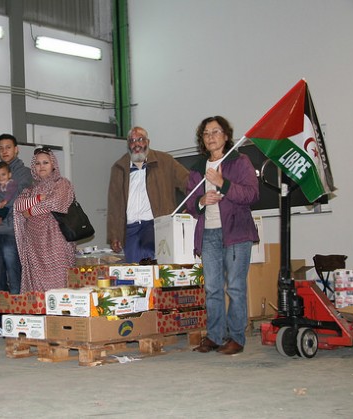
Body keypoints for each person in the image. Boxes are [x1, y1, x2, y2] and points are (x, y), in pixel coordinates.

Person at [186, 116, 259, 355]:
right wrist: (200, 201)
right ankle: (215, 336)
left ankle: (236, 337)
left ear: (226, 136)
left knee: (236, 288)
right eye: (206, 133)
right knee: (213, 289)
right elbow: (188, 203)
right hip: (208, 234)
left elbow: (251, 195)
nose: (210, 137)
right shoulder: (197, 168)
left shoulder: (240, 161)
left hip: (237, 233)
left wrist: (222, 183)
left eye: (215, 132)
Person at [107, 126, 189, 263]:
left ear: (148, 142)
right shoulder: (119, 167)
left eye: (140, 139)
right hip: (130, 230)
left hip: (156, 226)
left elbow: (188, 182)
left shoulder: (165, 161)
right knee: (133, 272)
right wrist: (114, 235)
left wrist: (193, 205)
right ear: (128, 144)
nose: (136, 144)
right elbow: (114, 204)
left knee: (153, 269)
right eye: (132, 141)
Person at [0, 134, 32, 338]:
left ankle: (16, 323)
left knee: (14, 279)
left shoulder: (25, 173)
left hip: (12, 233)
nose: (4, 151)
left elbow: (19, 198)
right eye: (1, 148)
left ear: (16, 149)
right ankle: (3, 322)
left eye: (8, 147)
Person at [14, 147, 76, 292]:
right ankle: (42, 314)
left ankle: (58, 314)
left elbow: (55, 203)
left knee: (60, 284)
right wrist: (39, 198)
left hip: (56, 241)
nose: (41, 166)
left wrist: (30, 211)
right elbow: (18, 205)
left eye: (45, 163)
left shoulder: (62, 184)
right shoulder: (30, 189)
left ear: (53, 164)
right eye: (37, 163)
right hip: (34, 244)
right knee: (37, 287)